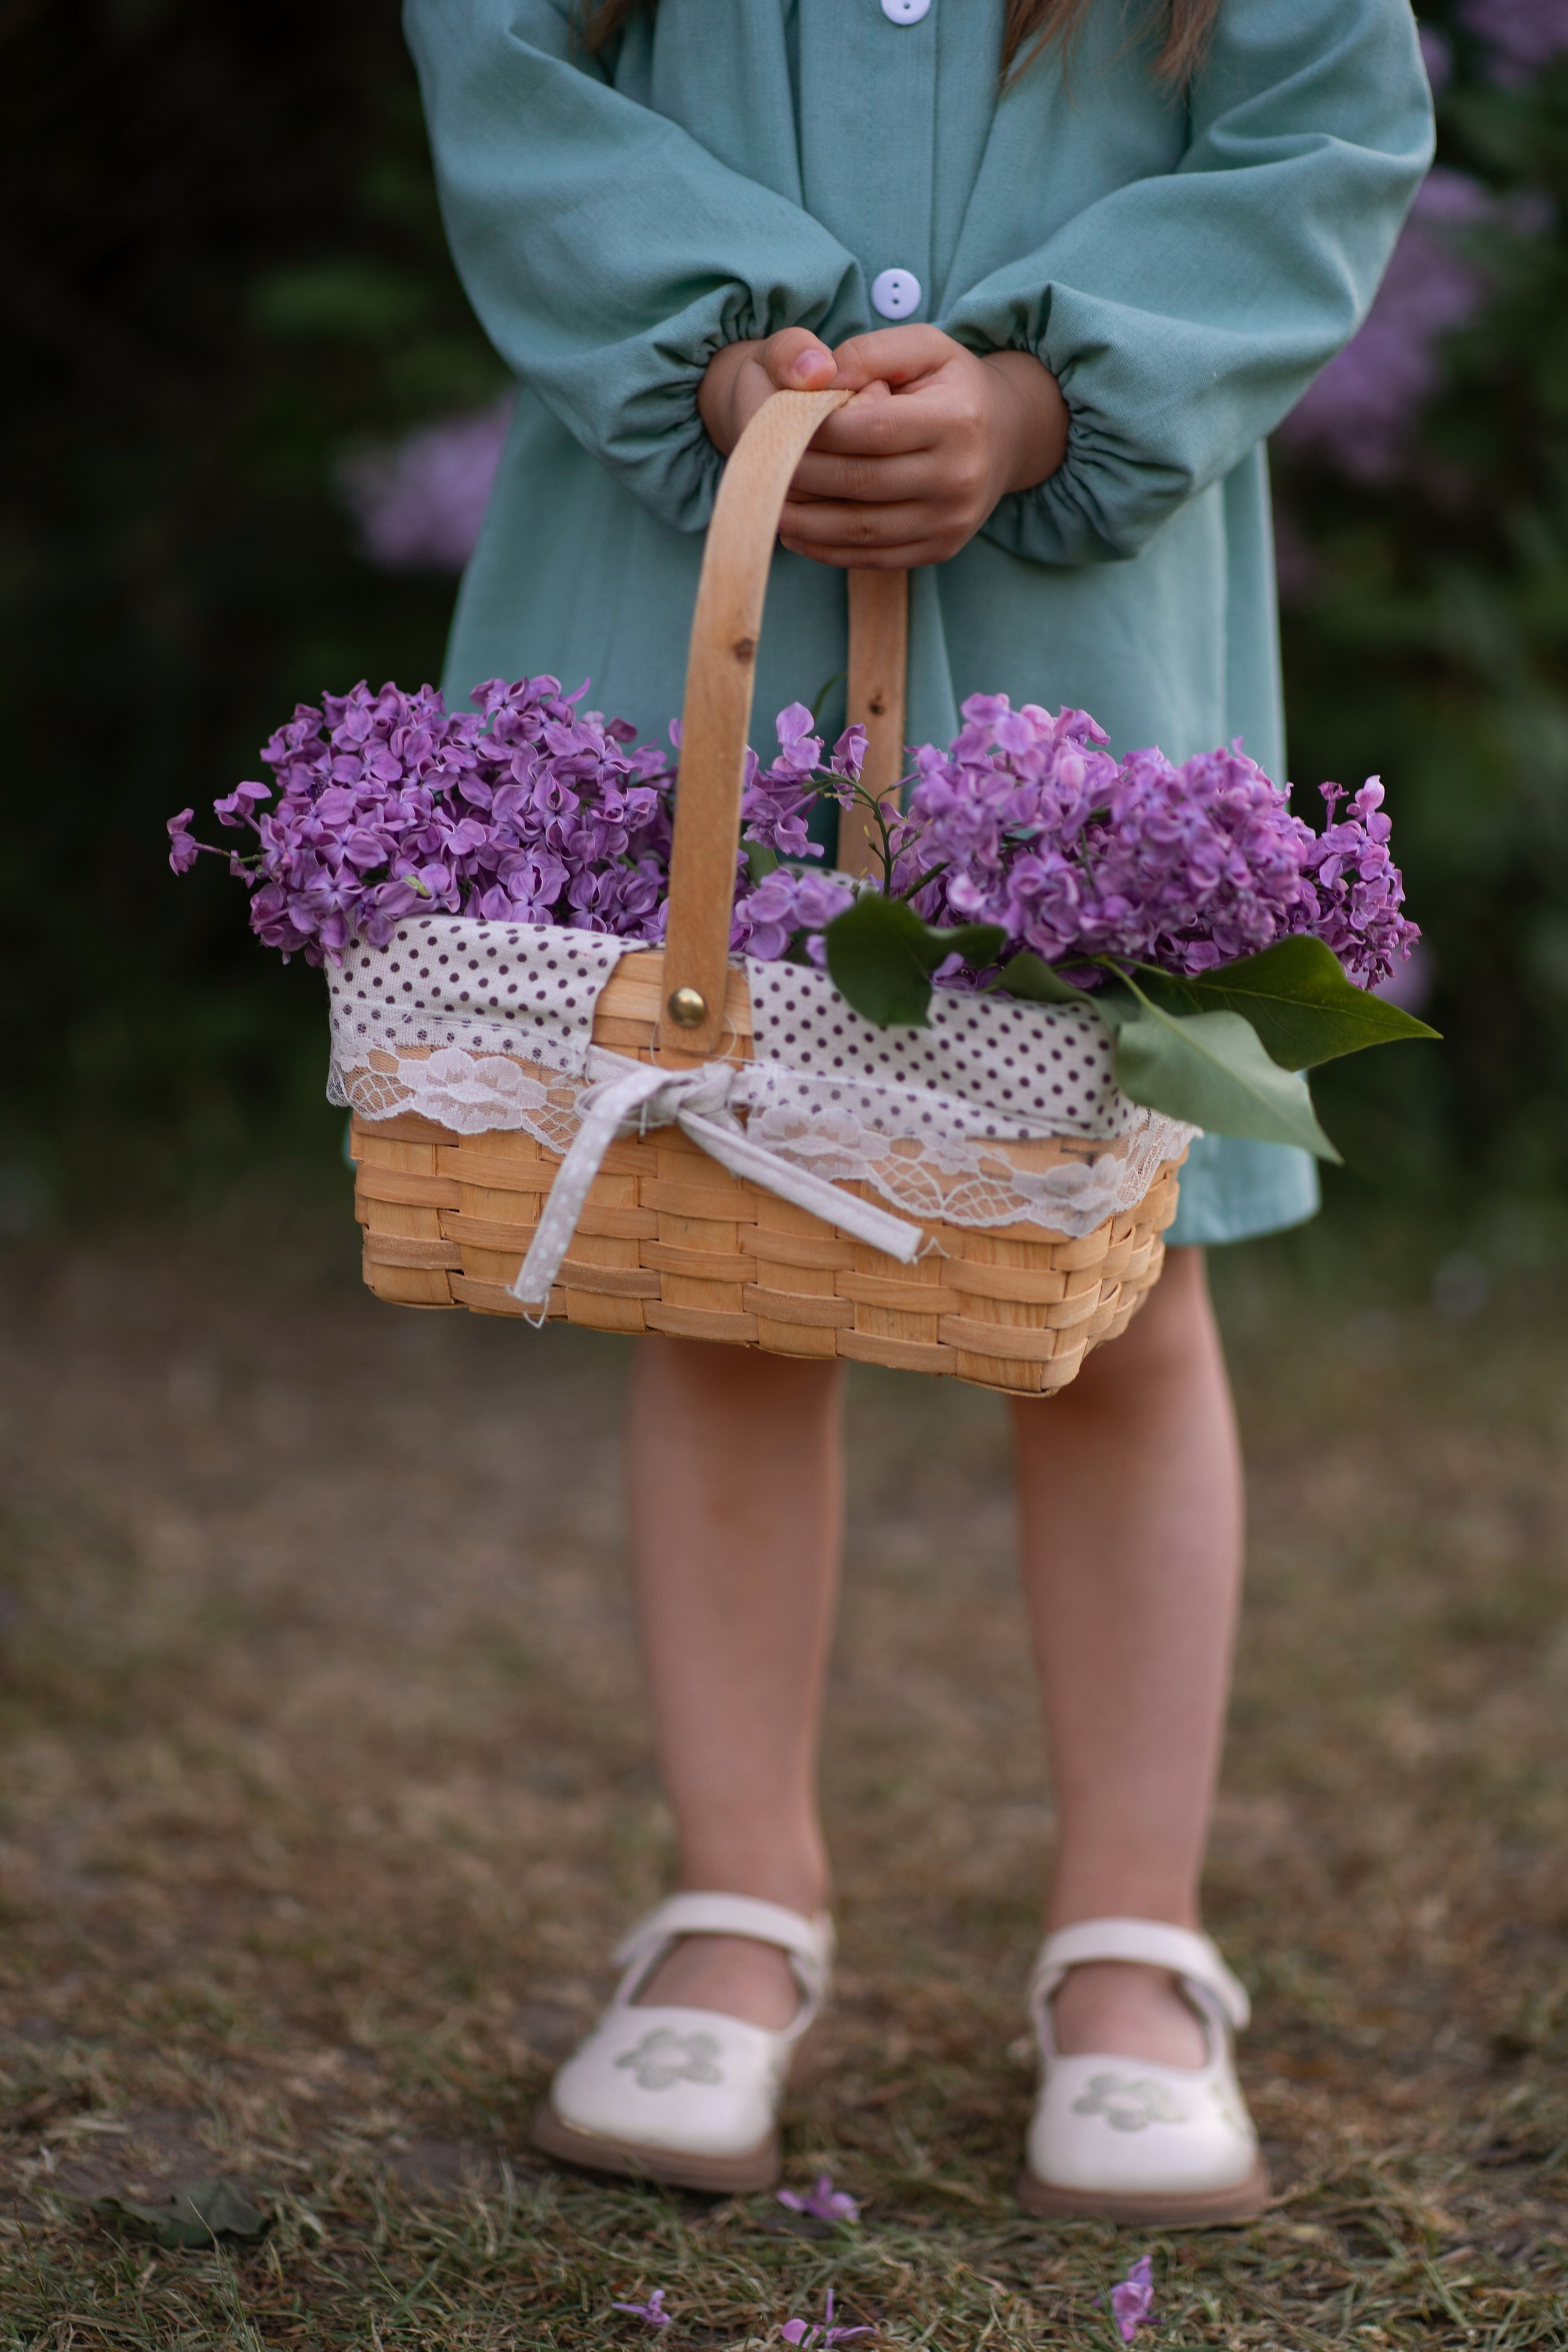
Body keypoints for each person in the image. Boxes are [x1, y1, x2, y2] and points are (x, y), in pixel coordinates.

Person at [404, 0, 1431, 2222]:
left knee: (1110, 1280)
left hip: (1083, 639)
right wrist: (714, 352)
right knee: (733, 1251)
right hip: (703, 596)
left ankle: (1134, 1952)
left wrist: (1064, 387)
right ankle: (737, 1906)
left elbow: (1327, 127)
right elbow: (505, 71)